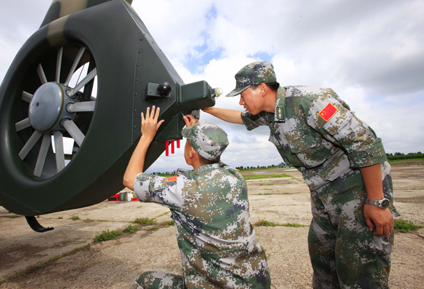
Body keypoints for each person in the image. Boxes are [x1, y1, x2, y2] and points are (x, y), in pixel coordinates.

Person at [203, 61, 399, 289]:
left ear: (262, 88)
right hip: (324, 195)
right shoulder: (270, 113)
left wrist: (377, 201)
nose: (240, 101)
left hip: (356, 189)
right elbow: (238, 118)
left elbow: (364, 143)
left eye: (243, 94)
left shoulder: (309, 101)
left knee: (360, 270)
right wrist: (206, 110)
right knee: (324, 264)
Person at [123, 106, 271, 289]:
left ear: (192, 152)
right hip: (256, 282)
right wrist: (199, 132)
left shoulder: (184, 188)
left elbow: (130, 179)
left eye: (188, 142)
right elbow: (212, 156)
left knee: (145, 281)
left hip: (217, 285)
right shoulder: (235, 178)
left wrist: (146, 136)